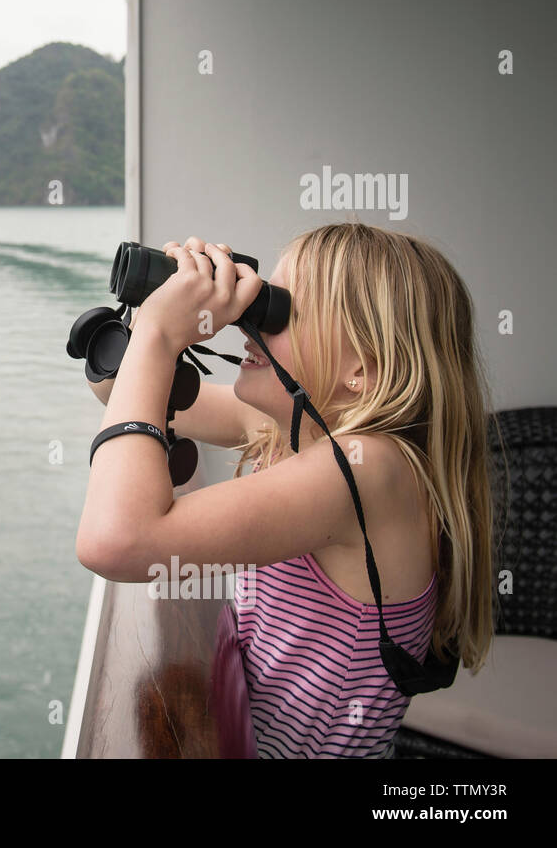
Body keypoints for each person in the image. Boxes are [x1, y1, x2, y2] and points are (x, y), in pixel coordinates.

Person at [77, 222, 498, 758]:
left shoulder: (370, 471)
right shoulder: (292, 429)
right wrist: (156, 313)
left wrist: (162, 335)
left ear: (361, 369)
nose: (249, 325)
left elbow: (115, 541)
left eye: (277, 309)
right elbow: (119, 389)